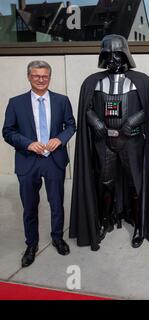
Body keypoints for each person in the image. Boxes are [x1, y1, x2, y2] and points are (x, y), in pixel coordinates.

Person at [69, 34, 149, 251]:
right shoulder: (94, 82)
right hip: (104, 142)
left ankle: (140, 225)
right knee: (105, 184)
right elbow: (87, 108)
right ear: (102, 56)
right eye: (108, 55)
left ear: (126, 55)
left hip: (132, 142)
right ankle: (105, 220)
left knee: (136, 185)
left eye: (117, 54)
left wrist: (133, 120)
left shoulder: (141, 81)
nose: (113, 60)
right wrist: (95, 122)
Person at [2, 60, 76, 267]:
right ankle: (31, 244)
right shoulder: (16, 103)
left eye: (44, 76)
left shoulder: (62, 101)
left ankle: (57, 238)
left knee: (57, 203)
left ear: (50, 77)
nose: (41, 80)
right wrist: (28, 144)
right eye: (36, 76)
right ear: (29, 77)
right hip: (28, 161)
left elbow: (71, 125)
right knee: (29, 206)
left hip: (54, 160)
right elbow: (7, 131)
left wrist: (60, 139)